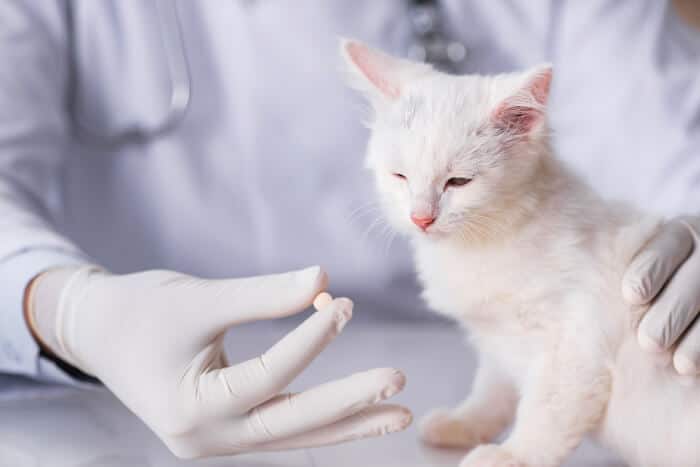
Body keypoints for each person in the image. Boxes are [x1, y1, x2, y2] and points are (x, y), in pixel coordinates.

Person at [0, 0, 698, 459]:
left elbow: (677, 136)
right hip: (105, 413)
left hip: (421, 402)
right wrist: (62, 306)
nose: (420, 213)